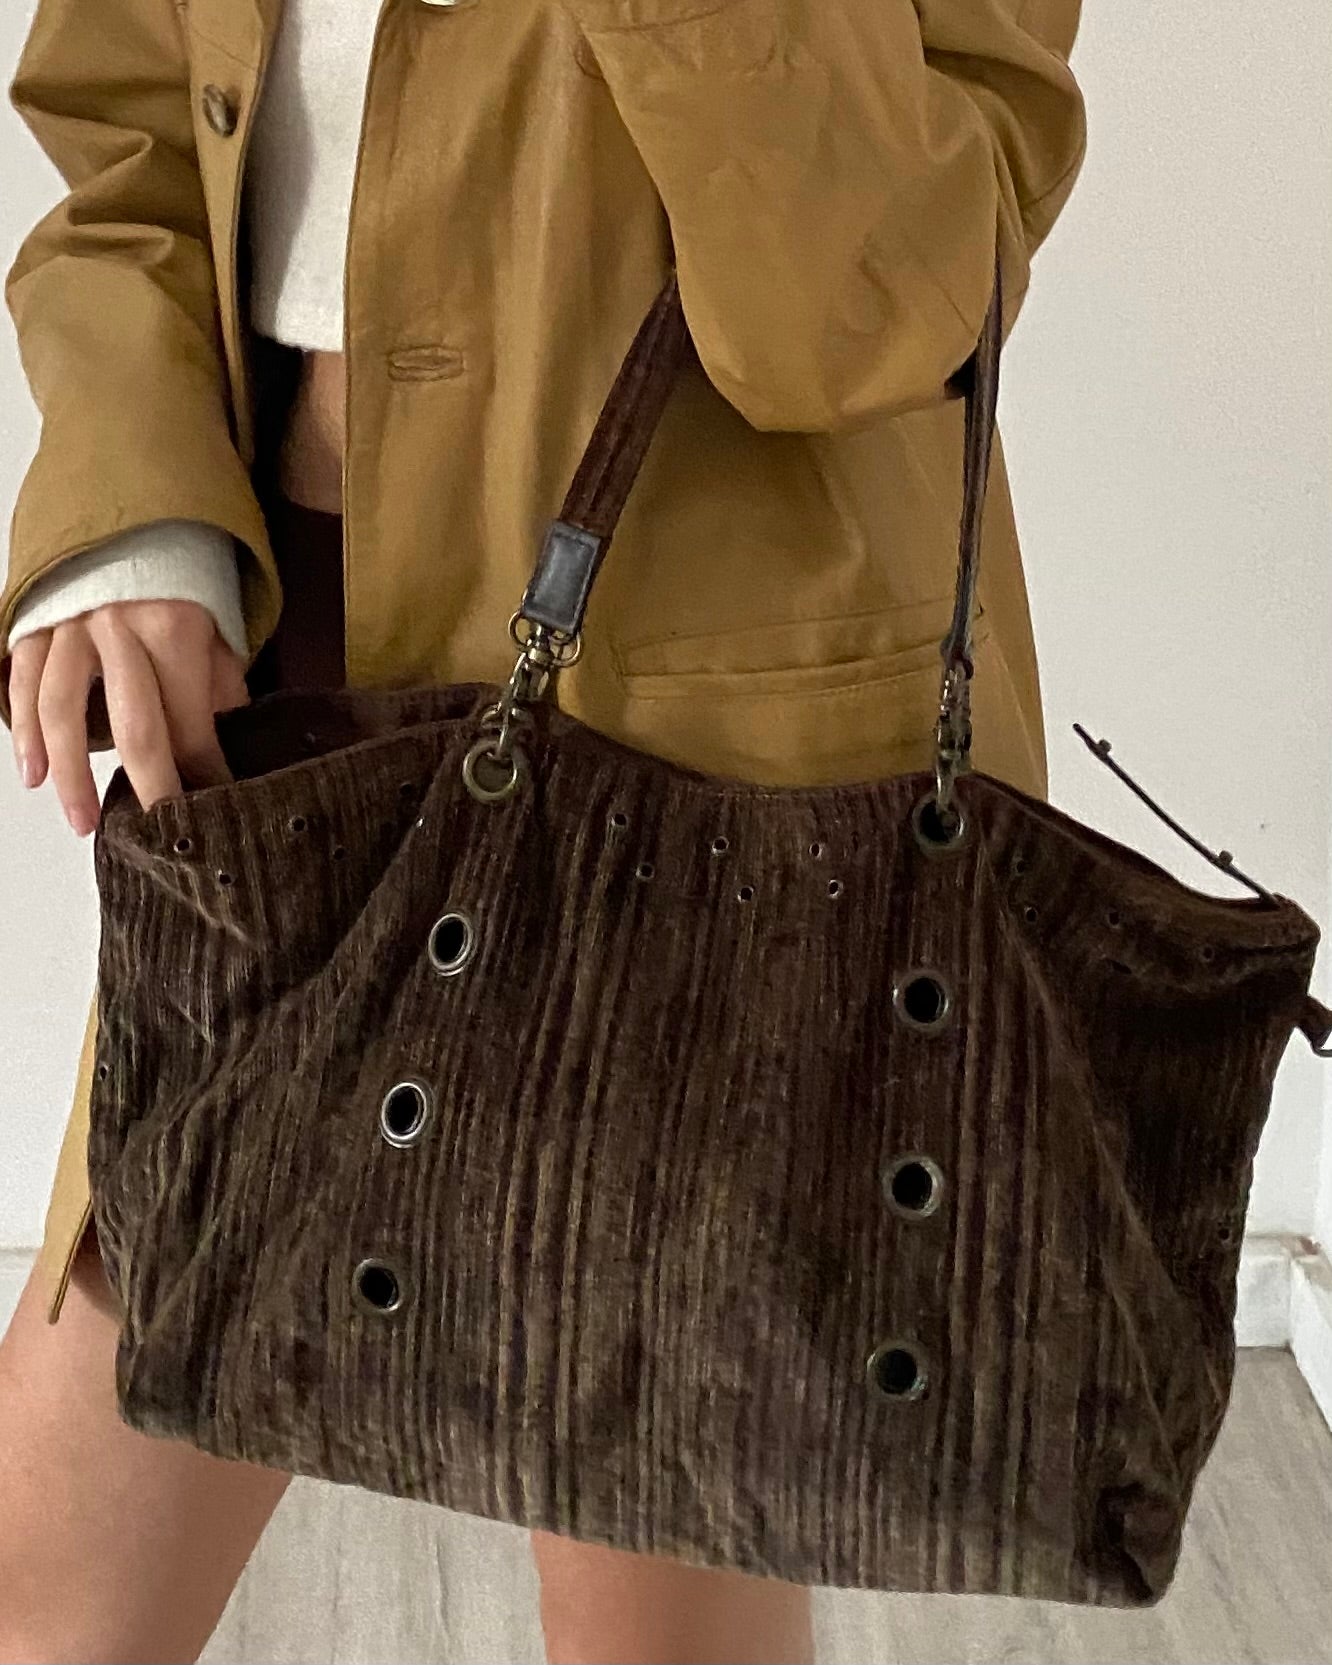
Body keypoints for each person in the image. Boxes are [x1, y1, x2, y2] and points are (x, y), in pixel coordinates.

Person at [0, 0, 1086, 1659]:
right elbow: (128, 123)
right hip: (281, 660)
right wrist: (129, 503)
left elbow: (883, 299)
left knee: (659, 1613)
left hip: (699, 722)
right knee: (54, 1583)